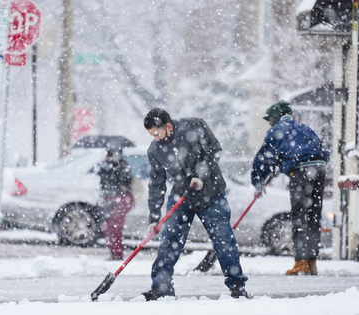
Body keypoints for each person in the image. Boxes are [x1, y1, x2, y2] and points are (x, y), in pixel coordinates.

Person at [141, 108, 249, 300]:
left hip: (210, 193)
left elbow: (214, 150)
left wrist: (201, 176)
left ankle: (237, 285)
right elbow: (156, 184)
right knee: (169, 241)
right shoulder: (155, 150)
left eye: (157, 133)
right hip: (182, 196)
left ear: (168, 126)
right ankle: (161, 287)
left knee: (223, 239)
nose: (156, 138)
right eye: (152, 135)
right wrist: (154, 218)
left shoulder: (194, 126)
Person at [251, 100, 330, 276]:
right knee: (313, 215)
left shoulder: (277, 130)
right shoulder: (304, 128)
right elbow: (317, 150)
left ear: (276, 117)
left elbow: (264, 158)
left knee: (300, 216)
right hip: (319, 170)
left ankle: (301, 262)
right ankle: (311, 261)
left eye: (270, 119)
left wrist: (258, 181)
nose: (270, 123)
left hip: (302, 172)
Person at [97, 144, 135, 261]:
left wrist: (113, 171)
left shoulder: (122, 167)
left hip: (121, 198)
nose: (108, 157)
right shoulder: (106, 167)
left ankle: (117, 253)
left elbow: (121, 183)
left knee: (115, 227)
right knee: (107, 226)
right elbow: (104, 184)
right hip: (109, 198)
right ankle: (113, 252)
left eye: (110, 154)